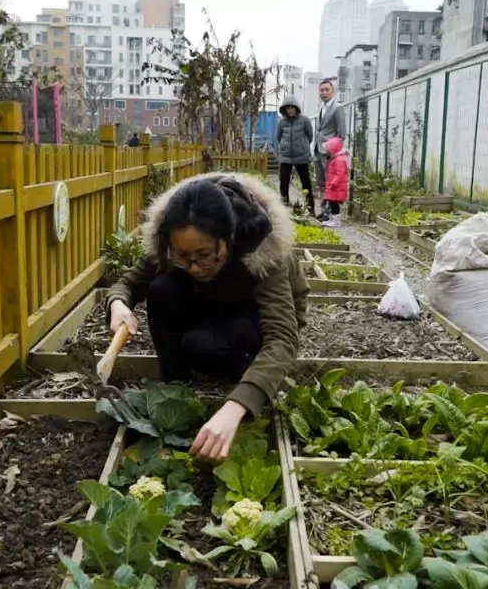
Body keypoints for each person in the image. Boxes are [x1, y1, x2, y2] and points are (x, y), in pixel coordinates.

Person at [105, 172, 310, 461]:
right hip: (212, 304)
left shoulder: (263, 249)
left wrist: (237, 405)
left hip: (252, 315)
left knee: (202, 346)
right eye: (182, 256)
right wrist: (118, 304)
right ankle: (175, 386)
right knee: (162, 289)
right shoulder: (172, 237)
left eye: (204, 255)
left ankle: (246, 371)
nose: (193, 266)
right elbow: (128, 283)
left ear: (230, 239)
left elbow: (283, 337)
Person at [312, 80, 348, 219]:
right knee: (321, 183)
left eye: (327, 90)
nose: (324, 92)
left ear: (333, 91)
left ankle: (330, 213)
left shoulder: (337, 108)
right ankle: (324, 210)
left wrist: (334, 151)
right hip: (318, 150)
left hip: (329, 153)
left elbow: (342, 133)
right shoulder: (322, 107)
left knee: (330, 183)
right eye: (322, 90)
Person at [275, 95, 314, 208]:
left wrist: (302, 147)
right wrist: (284, 148)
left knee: (306, 183)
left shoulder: (304, 120)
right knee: (284, 183)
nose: (290, 110)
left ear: (296, 108)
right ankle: (284, 206)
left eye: (292, 107)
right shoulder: (281, 123)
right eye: (287, 107)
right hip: (285, 157)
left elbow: (309, 136)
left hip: (301, 157)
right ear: (284, 109)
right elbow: (279, 137)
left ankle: (310, 208)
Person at [322, 137, 349, 228]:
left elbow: (340, 174)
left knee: (334, 204)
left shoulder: (339, 160)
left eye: (328, 150)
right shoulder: (336, 159)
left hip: (336, 187)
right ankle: (332, 219)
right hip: (333, 187)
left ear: (333, 150)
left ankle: (336, 221)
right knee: (332, 202)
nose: (327, 152)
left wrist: (333, 183)